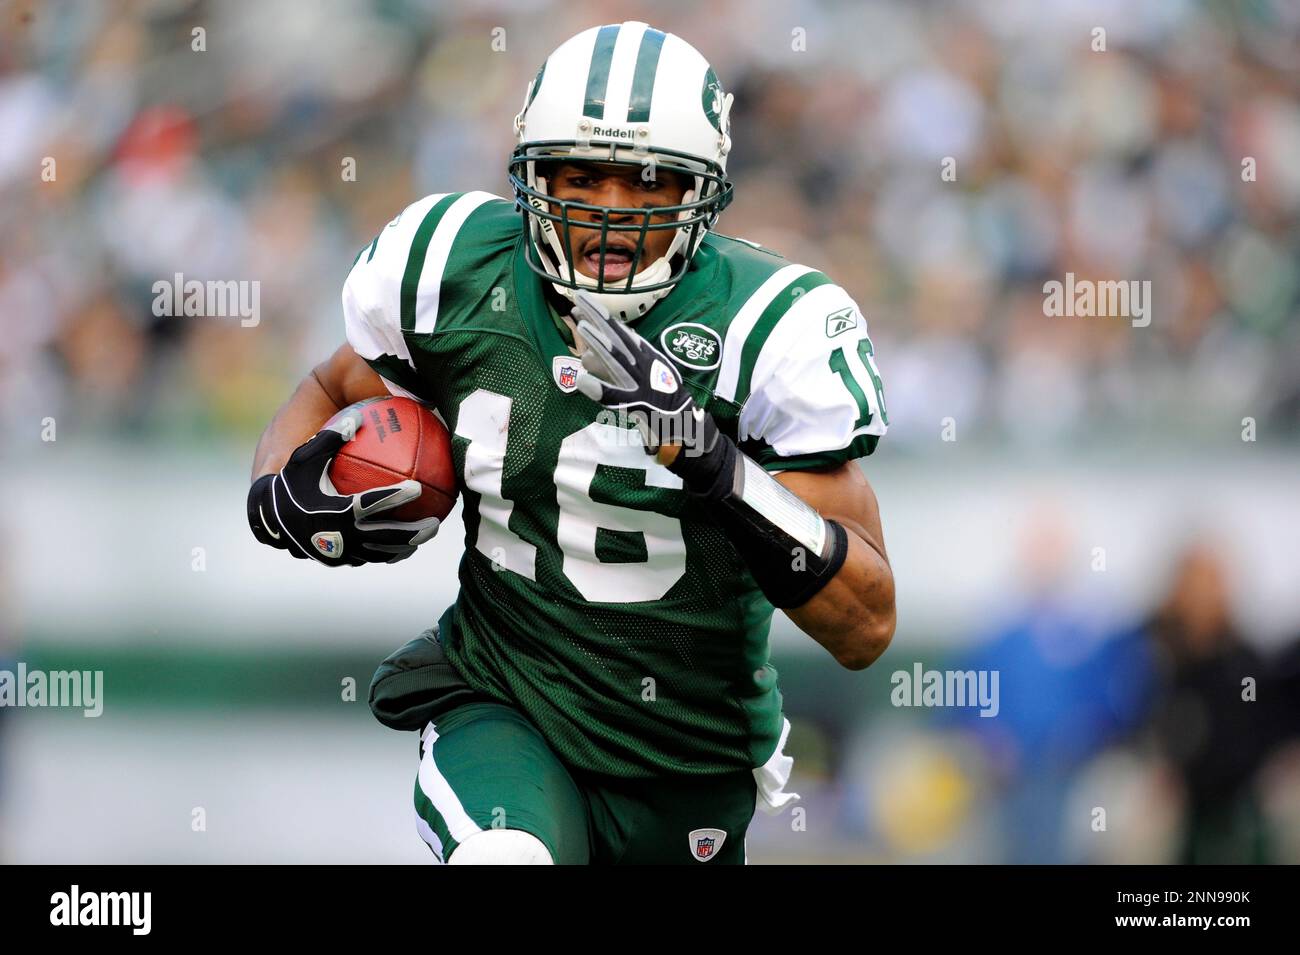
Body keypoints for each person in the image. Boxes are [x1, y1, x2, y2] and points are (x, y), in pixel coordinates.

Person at [246, 21, 895, 864]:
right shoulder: (455, 268)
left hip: (690, 761)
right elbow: (330, 387)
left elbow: (866, 624)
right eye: (580, 176)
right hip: (505, 699)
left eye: (647, 184)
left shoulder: (768, 326)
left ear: (702, 193)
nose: (608, 213)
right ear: (529, 174)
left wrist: (710, 461)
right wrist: (277, 493)